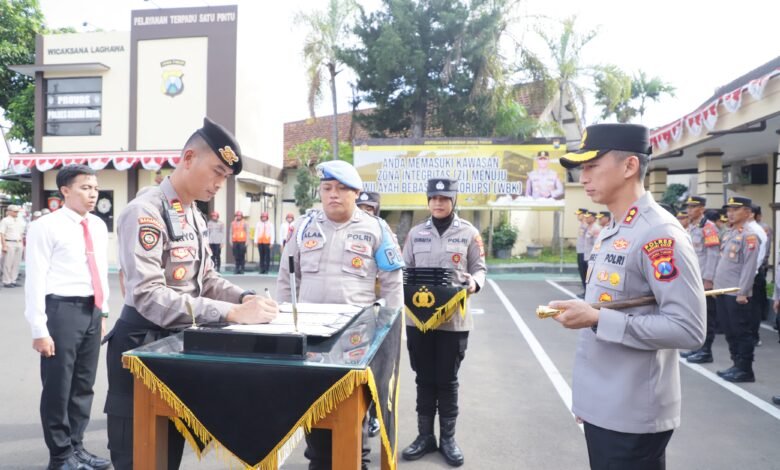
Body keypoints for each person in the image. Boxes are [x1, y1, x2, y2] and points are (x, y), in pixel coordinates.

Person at [105, 117, 279, 470]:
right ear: (188, 157)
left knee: (168, 453)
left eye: (225, 177)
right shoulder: (146, 211)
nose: (219, 183)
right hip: (141, 345)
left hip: (178, 345)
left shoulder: (192, 215)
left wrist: (243, 299)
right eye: (216, 171)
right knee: (138, 457)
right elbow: (149, 295)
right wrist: (228, 313)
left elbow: (208, 278)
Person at [547, 123, 706, 470]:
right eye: (581, 169)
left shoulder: (658, 234)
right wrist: (590, 402)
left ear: (630, 166)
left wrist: (597, 317)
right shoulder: (614, 229)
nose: (583, 177)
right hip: (606, 406)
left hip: (632, 414)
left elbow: (688, 328)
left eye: (591, 166)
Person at [277, 159, 404, 470]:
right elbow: (286, 279)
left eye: (341, 189)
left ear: (356, 193)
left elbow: (392, 286)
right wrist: (280, 324)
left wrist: (389, 335)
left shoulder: (377, 229)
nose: (333, 194)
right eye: (327, 188)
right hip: (310, 338)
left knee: (352, 418)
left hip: (355, 340)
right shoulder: (304, 227)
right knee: (313, 411)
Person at [24, 165, 111, 470]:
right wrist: (39, 328)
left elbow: (100, 271)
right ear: (65, 191)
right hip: (61, 311)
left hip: (92, 310)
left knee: (83, 385)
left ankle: (76, 446)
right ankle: (60, 455)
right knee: (58, 387)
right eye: (85, 187)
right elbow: (35, 278)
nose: (93, 193)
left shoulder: (98, 226)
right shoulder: (45, 226)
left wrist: (104, 311)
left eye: (95, 188)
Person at [400, 178, 487, 467]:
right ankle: (425, 437)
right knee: (423, 379)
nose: (438, 203)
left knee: (447, 381)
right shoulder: (415, 234)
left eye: (444, 198)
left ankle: (448, 439)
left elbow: (479, 269)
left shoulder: (469, 233)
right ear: (428, 201)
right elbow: (405, 271)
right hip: (419, 322)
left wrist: (474, 283)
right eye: (433, 198)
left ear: (454, 200)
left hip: (454, 322)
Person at [712, 196, 761, 383]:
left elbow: (749, 266)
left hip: (736, 293)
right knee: (729, 330)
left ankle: (745, 369)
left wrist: (743, 291)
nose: (730, 213)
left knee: (741, 331)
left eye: (735, 210)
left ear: (747, 212)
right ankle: (736, 364)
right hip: (724, 291)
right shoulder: (729, 233)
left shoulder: (749, 236)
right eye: (728, 210)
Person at [681, 196, 721, 364]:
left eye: (693, 207)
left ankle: (706, 351)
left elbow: (713, 255)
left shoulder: (709, 228)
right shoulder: (692, 227)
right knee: (695, 315)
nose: (689, 210)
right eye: (688, 207)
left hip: (703, 280)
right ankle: (698, 348)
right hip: (692, 278)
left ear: (702, 209)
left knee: (706, 316)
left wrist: (709, 279)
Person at [748, 204, 769, 347]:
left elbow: (758, 257)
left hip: (753, 275)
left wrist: (749, 275)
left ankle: (754, 337)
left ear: (750, 214)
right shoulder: (746, 229)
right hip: (746, 275)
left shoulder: (755, 230)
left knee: (752, 308)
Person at [1, 204, 26, 287]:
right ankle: (7, 281)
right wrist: (4, 245)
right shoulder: (5, 220)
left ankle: (13, 280)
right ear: (9, 211)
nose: (16, 213)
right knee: (8, 263)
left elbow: (22, 233)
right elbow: (2, 233)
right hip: (9, 242)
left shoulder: (20, 220)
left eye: (17, 211)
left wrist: (22, 243)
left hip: (19, 243)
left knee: (16, 263)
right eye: (15, 211)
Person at [574, 208, 589, 296]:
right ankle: (585, 291)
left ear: (584, 215)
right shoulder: (581, 225)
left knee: (585, 272)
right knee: (581, 272)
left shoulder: (586, 225)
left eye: (579, 214)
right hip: (580, 252)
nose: (577, 216)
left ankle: (587, 292)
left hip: (585, 253)